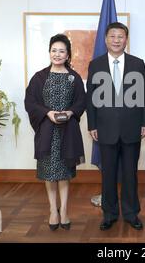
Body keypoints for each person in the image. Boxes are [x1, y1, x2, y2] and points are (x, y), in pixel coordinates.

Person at [86, 22, 145, 231]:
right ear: (106, 39)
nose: (116, 40)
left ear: (126, 39)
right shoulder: (95, 64)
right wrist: (92, 124)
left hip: (132, 127)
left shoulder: (137, 63)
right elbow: (91, 98)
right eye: (112, 36)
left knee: (130, 173)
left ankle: (132, 214)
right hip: (104, 128)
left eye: (120, 36)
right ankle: (110, 214)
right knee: (108, 174)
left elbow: (144, 94)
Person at [25, 34, 86, 231]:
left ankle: (65, 210)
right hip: (47, 131)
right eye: (54, 50)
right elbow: (30, 102)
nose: (57, 54)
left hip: (67, 132)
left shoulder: (73, 77)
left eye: (61, 51)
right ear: (49, 52)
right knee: (49, 173)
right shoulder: (39, 77)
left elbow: (81, 102)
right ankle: (53, 210)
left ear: (68, 54)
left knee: (64, 172)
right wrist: (47, 113)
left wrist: (70, 112)